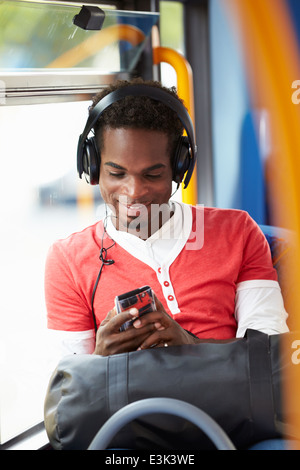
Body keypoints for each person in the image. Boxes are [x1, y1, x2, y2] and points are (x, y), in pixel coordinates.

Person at [44, 78, 289, 358]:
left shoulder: (237, 231)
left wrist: (191, 345)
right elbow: (70, 388)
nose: (134, 191)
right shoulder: (67, 259)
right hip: (132, 404)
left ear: (179, 168)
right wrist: (99, 361)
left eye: (152, 174)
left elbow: (271, 355)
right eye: (116, 173)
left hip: (227, 402)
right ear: (92, 165)